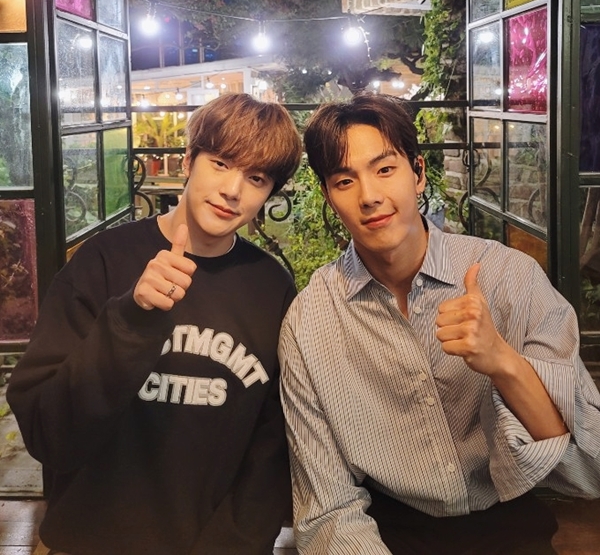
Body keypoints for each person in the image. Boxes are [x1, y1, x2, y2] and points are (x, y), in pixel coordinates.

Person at [278, 92, 600, 555]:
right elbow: (328, 509)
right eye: (345, 181)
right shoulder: (310, 321)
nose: (369, 196)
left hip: (511, 522)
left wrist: (503, 362)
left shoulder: (509, 277)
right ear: (329, 197)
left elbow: (589, 470)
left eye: (385, 169)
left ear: (418, 172)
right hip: (386, 532)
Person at [8, 93, 303, 555]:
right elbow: (48, 433)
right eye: (221, 163)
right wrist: (130, 317)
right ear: (188, 160)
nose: (233, 190)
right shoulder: (102, 263)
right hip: (88, 542)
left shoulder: (271, 287)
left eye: (256, 177)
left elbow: (273, 448)